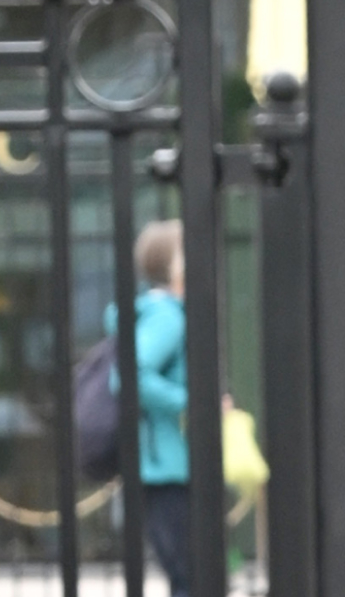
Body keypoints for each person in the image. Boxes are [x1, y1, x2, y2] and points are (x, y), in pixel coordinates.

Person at [104, 220, 190, 596]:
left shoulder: (161, 312)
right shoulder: (167, 315)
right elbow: (129, 373)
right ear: (171, 263)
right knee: (191, 573)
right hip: (167, 466)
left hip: (161, 463)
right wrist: (190, 402)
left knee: (187, 573)